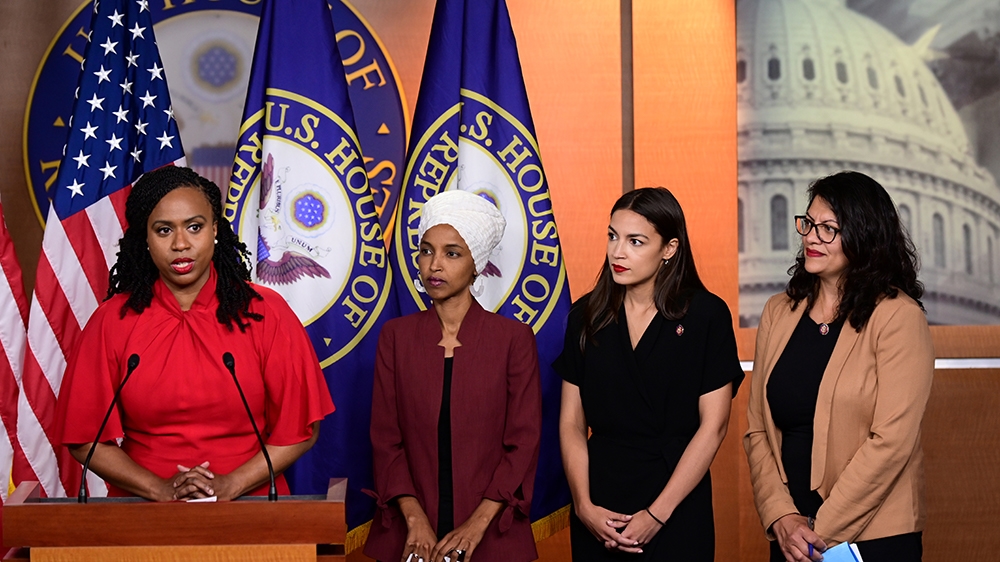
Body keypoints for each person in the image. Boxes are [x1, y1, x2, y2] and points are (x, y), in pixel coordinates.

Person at [56, 166, 334, 501]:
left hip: (251, 507)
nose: (181, 243)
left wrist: (232, 483)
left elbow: (302, 427)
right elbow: (84, 437)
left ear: (214, 229)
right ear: (145, 238)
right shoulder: (112, 322)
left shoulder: (266, 313)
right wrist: (157, 489)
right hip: (140, 511)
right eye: (163, 230)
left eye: (194, 227)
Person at [744, 171, 934, 562]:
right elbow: (757, 427)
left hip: (871, 538)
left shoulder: (898, 317)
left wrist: (819, 531)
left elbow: (891, 442)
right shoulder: (778, 312)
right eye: (809, 223)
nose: (812, 237)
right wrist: (781, 516)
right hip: (790, 536)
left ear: (864, 237)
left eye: (829, 228)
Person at [556, 187, 744, 560]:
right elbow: (571, 423)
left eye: (635, 241)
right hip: (600, 503)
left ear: (669, 249)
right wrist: (583, 506)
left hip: (676, 499)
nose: (617, 251)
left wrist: (658, 514)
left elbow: (714, 426)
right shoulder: (585, 316)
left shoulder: (706, 315)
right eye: (612, 236)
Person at [365, 190, 541, 562]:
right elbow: (386, 440)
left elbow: (523, 443)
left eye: (452, 253)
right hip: (409, 536)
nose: (434, 265)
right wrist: (415, 521)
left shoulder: (512, 339)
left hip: (493, 536)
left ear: (476, 263)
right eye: (426, 251)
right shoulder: (396, 336)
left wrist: (476, 525)